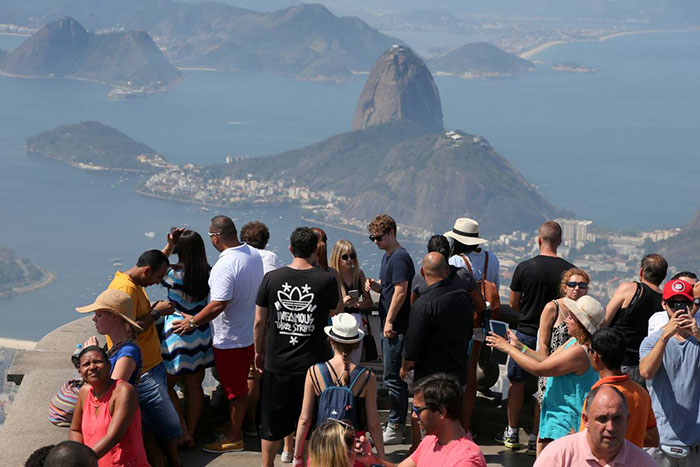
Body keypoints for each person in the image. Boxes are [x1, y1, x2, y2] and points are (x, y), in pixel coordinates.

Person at [171, 215, 264, 453]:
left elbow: (217, 305)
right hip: (247, 333)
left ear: (215, 237)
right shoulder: (253, 254)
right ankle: (233, 426)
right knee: (238, 387)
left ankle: (234, 437)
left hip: (230, 338)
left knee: (235, 390)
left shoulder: (225, 265)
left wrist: (191, 321)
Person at [254, 227, 340, 467]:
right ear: (315, 250)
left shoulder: (272, 278)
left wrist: (258, 351)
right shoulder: (326, 280)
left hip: (277, 362)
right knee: (313, 422)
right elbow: (336, 312)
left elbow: (260, 321)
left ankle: (267, 465)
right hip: (314, 365)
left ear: (290, 248)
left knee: (271, 423)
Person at [487, 295, 602, 455]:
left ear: (581, 324)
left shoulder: (580, 352)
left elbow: (540, 369)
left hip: (566, 421)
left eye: (571, 316)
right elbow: (547, 361)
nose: (566, 318)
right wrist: (520, 347)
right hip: (553, 415)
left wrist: (508, 349)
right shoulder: (573, 342)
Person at [502, 221, 574, 452]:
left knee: (517, 381)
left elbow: (513, 303)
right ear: (560, 242)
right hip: (555, 338)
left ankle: (512, 432)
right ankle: (536, 436)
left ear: (538, 239)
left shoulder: (525, 267)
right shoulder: (569, 272)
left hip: (525, 333)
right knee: (544, 387)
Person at [107, 250, 181, 467]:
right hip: (142, 369)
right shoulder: (125, 289)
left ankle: (162, 458)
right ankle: (173, 460)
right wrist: (157, 313)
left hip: (149, 362)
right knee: (169, 423)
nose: (158, 283)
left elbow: (152, 262)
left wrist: (168, 248)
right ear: (147, 271)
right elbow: (126, 330)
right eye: (158, 277)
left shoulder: (133, 281)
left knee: (145, 420)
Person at [294, 313, 384, 464]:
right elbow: (373, 424)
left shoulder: (314, 372)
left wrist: (297, 456)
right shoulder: (367, 376)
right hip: (353, 450)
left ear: (330, 341)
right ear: (356, 344)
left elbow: (304, 419)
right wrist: (381, 457)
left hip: (322, 447)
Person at [355, 373, 486, 467]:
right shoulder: (430, 441)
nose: (413, 416)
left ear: (441, 412)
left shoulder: (467, 459)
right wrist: (370, 459)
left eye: (418, 410)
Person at [159, 228, 214, 449]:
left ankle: (181, 429)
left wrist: (170, 244)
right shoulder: (209, 273)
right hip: (200, 332)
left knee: (166, 385)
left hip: (177, 333)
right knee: (195, 386)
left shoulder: (172, 275)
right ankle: (191, 431)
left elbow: (156, 265)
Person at [365, 214, 415, 445]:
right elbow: (391, 288)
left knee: (394, 377)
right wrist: (377, 286)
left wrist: (389, 321)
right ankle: (394, 423)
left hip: (396, 327)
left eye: (379, 237)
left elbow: (401, 291)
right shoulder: (389, 257)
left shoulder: (398, 258)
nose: (375, 241)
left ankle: (395, 425)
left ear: (392, 233)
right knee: (392, 376)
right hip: (392, 323)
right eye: (372, 238)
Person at [640, 279, 700, 466]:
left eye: (684, 303)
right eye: (674, 304)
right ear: (664, 305)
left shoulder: (698, 339)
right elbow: (646, 372)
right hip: (661, 437)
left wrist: (697, 335)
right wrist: (665, 336)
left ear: (692, 305)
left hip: (695, 439)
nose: (679, 309)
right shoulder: (652, 341)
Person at [444, 219, 495, 436]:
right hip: (481, 324)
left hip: (460, 325)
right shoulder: (490, 258)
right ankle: (467, 427)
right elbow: (494, 290)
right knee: (472, 376)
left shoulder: (454, 260)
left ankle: (453, 425)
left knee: (453, 376)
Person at [533, 268, 590, 446]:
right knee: (548, 411)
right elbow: (543, 342)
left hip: (574, 371)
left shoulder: (587, 312)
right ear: (564, 287)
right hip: (552, 366)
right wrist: (546, 369)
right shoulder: (553, 307)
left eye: (582, 285)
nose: (576, 289)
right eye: (572, 284)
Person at [534, 385, 657, 466]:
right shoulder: (558, 456)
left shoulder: (644, 463)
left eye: (617, 419)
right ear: (586, 420)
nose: (610, 427)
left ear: (627, 420)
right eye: (602, 419)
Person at [69, 346, 149, 467]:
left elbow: (114, 436)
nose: (92, 367)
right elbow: (75, 429)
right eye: (86, 364)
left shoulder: (123, 391)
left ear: (109, 365)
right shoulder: (84, 392)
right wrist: (78, 455)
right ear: (80, 371)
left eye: (97, 362)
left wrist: (83, 460)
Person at [402, 252, 472, 386]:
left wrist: (404, 368)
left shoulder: (422, 304)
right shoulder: (464, 297)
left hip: (430, 379)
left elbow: (412, 345)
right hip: (458, 375)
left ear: (422, 272)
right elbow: (468, 332)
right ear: (447, 269)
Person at [579, 328, 658, 447]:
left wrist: (573, 438)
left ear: (595, 356)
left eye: (589, 350)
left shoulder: (597, 397)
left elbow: (585, 442)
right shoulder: (641, 393)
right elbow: (653, 439)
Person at [239, 220, 281, 441]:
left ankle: (248, 421)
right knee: (261, 373)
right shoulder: (271, 258)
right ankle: (260, 420)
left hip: (245, 323)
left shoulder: (240, 258)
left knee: (250, 376)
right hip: (268, 324)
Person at [605, 254, 667, 385]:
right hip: (646, 365)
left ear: (641, 272)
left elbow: (604, 321)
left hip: (619, 362)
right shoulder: (666, 302)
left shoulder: (630, 289)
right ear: (664, 276)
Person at [76, 289, 144, 387]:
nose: (94, 319)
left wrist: (91, 353)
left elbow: (112, 390)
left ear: (114, 317)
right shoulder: (115, 347)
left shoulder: (128, 351)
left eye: (99, 315)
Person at [330, 239, 373, 363]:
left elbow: (368, 301)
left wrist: (358, 304)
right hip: (337, 320)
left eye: (352, 256)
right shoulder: (332, 276)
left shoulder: (358, 274)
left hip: (355, 321)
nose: (349, 259)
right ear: (337, 257)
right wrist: (342, 303)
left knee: (354, 360)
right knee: (338, 360)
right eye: (345, 256)